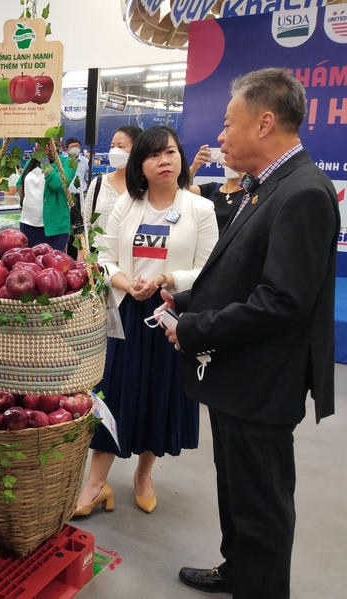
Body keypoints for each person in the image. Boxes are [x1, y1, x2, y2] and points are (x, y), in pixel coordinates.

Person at [158, 69, 338, 598]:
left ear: (264, 123)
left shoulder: (303, 192)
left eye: (228, 123)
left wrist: (195, 329)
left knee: (261, 505)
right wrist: (186, 301)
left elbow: (281, 301)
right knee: (234, 486)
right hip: (239, 378)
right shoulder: (266, 187)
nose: (219, 136)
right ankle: (237, 569)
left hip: (264, 382)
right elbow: (241, 273)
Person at [74, 125, 217, 518]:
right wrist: (126, 284)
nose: (163, 160)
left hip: (171, 317)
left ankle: (143, 474)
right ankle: (96, 483)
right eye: (153, 155)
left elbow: (208, 270)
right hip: (127, 313)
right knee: (113, 395)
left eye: (170, 152)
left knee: (161, 394)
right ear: (142, 164)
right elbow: (102, 256)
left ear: (180, 158)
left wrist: (165, 279)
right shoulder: (125, 205)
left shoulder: (199, 209)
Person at [82, 125, 143, 235]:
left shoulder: (145, 185)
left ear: (137, 149)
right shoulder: (98, 183)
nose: (115, 151)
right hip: (98, 250)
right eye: (112, 146)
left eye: (121, 147)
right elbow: (85, 224)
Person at [18, 138, 76, 251]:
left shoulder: (67, 162)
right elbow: (20, 182)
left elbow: (58, 184)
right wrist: (28, 201)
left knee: (52, 265)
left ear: (58, 145)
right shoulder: (32, 161)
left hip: (54, 229)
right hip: (28, 225)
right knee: (30, 264)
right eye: (44, 143)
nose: (48, 147)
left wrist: (44, 161)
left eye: (52, 144)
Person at [188, 144, 245, 234]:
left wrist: (239, 169)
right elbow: (182, 189)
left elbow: (257, 189)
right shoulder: (213, 188)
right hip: (211, 245)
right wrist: (194, 167)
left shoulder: (248, 193)